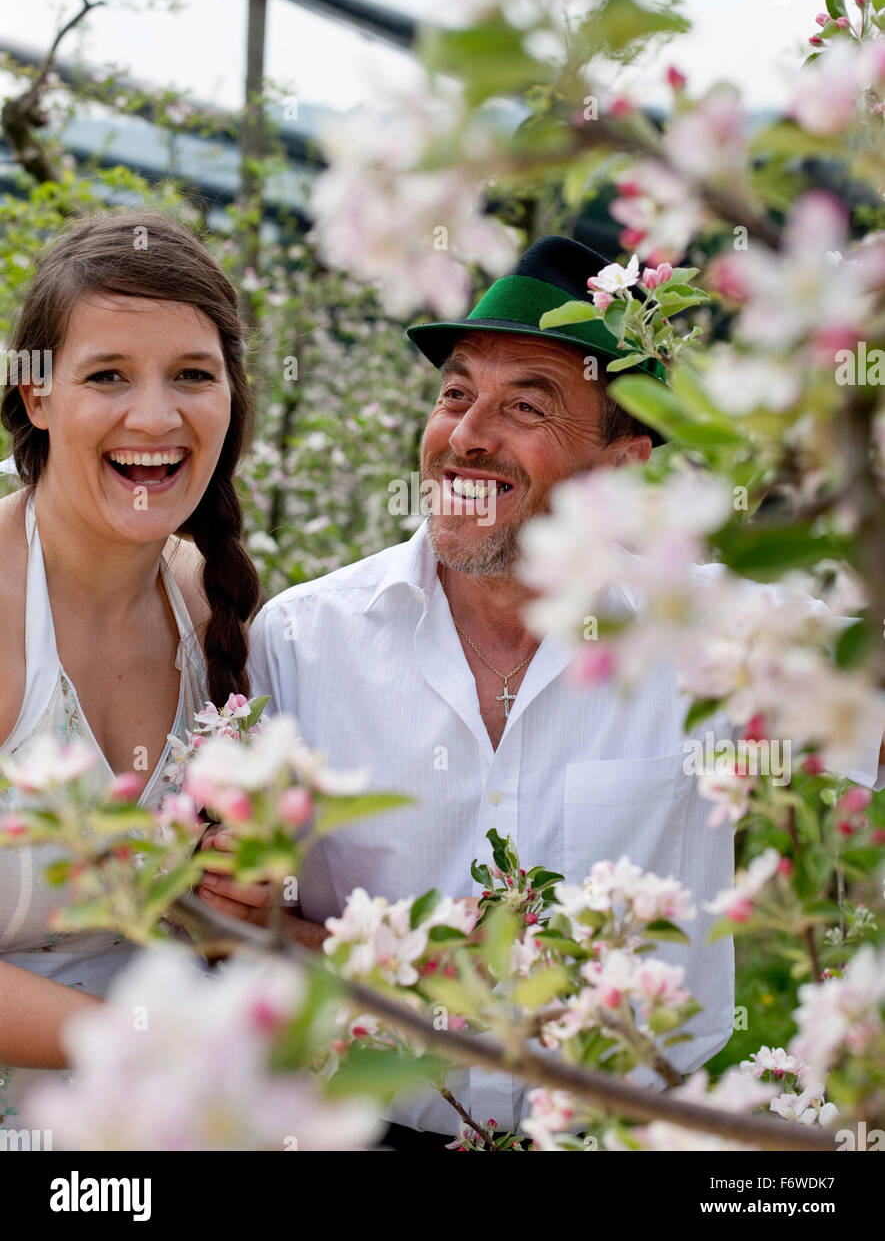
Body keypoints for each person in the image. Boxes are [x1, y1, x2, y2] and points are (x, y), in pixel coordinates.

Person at [223, 234, 882, 1146]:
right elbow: (243, 920)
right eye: (455, 394)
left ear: (623, 471)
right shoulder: (302, 640)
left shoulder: (717, 631)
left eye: (524, 406)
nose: (465, 435)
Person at [0, 210, 260, 1125]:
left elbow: (191, 929)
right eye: (107, 375)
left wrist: (241, 904)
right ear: (37, 396)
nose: (155, 416)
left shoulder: (209, 607)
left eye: (192, 375)